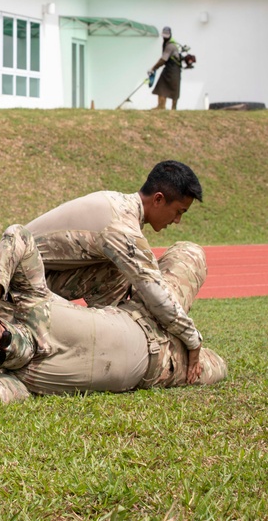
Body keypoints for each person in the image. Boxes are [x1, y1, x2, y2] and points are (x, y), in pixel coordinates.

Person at [0, 225, 226, 404]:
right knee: (220, 368)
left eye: (1, 337)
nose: (8, 347)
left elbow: (18, 235)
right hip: (164, 368)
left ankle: (142, 282)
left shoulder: (32, 308)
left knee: (190, 251)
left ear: (1, 321)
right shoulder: (20, 382)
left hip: (146, 314)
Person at [24, 160, 207, 380]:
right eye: (178, 211)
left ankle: (115, 334)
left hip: (34, 278)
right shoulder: (121, 227)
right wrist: (193, 340)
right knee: (135, 274)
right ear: (158, 199)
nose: (177, 220)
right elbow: (156, 293)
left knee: (121, 269)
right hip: (20, 289)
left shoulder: (119, 205)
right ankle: (117, 338)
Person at [148, 26, 182, 110]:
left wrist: (153, 68)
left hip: (172, 69)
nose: (165, 37)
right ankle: (164, 107)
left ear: (170, 35)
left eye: (166, 35)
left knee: (166, 87)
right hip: (172, 69)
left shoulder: (170, 46)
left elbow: (163, 59)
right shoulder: (168, 43)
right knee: (167, 87)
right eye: (164, 35)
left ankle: (168, 107)